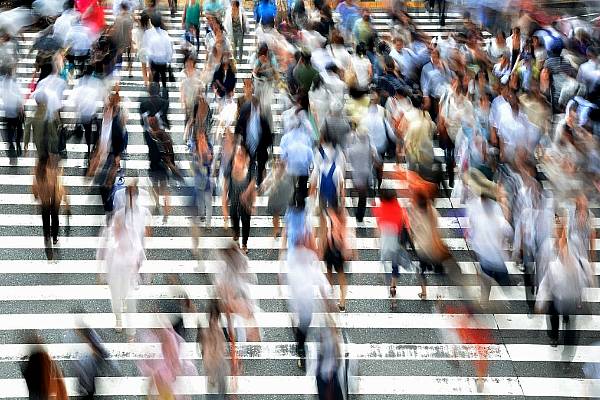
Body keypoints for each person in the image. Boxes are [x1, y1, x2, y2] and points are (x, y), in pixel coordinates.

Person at [32, 157, 70, 261]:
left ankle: (50, 236)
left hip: (51, 197)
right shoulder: (49, 168)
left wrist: (35, 194)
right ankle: (51, 236)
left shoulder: (43, 168)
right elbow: (60, 185)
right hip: (49, 196)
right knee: (50, 217)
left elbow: (60, 185)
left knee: (50, 217)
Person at [222, 145, 256, 253]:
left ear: (246, 154)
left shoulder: (251, 164)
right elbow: (226, 185)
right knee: (234, 219)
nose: (239, 154)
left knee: (246, 223)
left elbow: (253, 181)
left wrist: (247, 193)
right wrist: (224, 205)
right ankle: (236, 236)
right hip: (234, 199)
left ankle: (244, 244)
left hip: (246, 202)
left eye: (241, 153)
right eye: (237, 153)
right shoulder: (231, 163)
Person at [235, 96, 273, 187]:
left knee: (260, 167)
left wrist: (264, 145)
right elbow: (237, 131)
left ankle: (259, 183)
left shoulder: (263, 120)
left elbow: (269, 137)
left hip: (260, 149)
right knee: (249, 166)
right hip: (247, 148)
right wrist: (241, 144)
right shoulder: (244, 118)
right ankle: (248, 184)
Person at [260, 157, 293, 238]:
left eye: (280, 165)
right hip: (274, 197)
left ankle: (285, 230)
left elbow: (291, 186)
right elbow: (265, 183)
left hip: (283, 197)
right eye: (277, 165)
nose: (278, 167)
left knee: (286, 215)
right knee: (276, 215)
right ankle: (276, 230)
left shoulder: (288, 174)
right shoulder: (272, 173)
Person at [143, 13, 173, 89]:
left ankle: (157, 94)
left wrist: (147, 62)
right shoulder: (165, 33)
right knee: (163, 78)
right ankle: (164, 92)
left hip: (154, 61)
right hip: (163, 61)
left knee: (155, 80)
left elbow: (146, 48)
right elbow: (169, 48)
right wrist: (169, 59)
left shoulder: (148, 33)